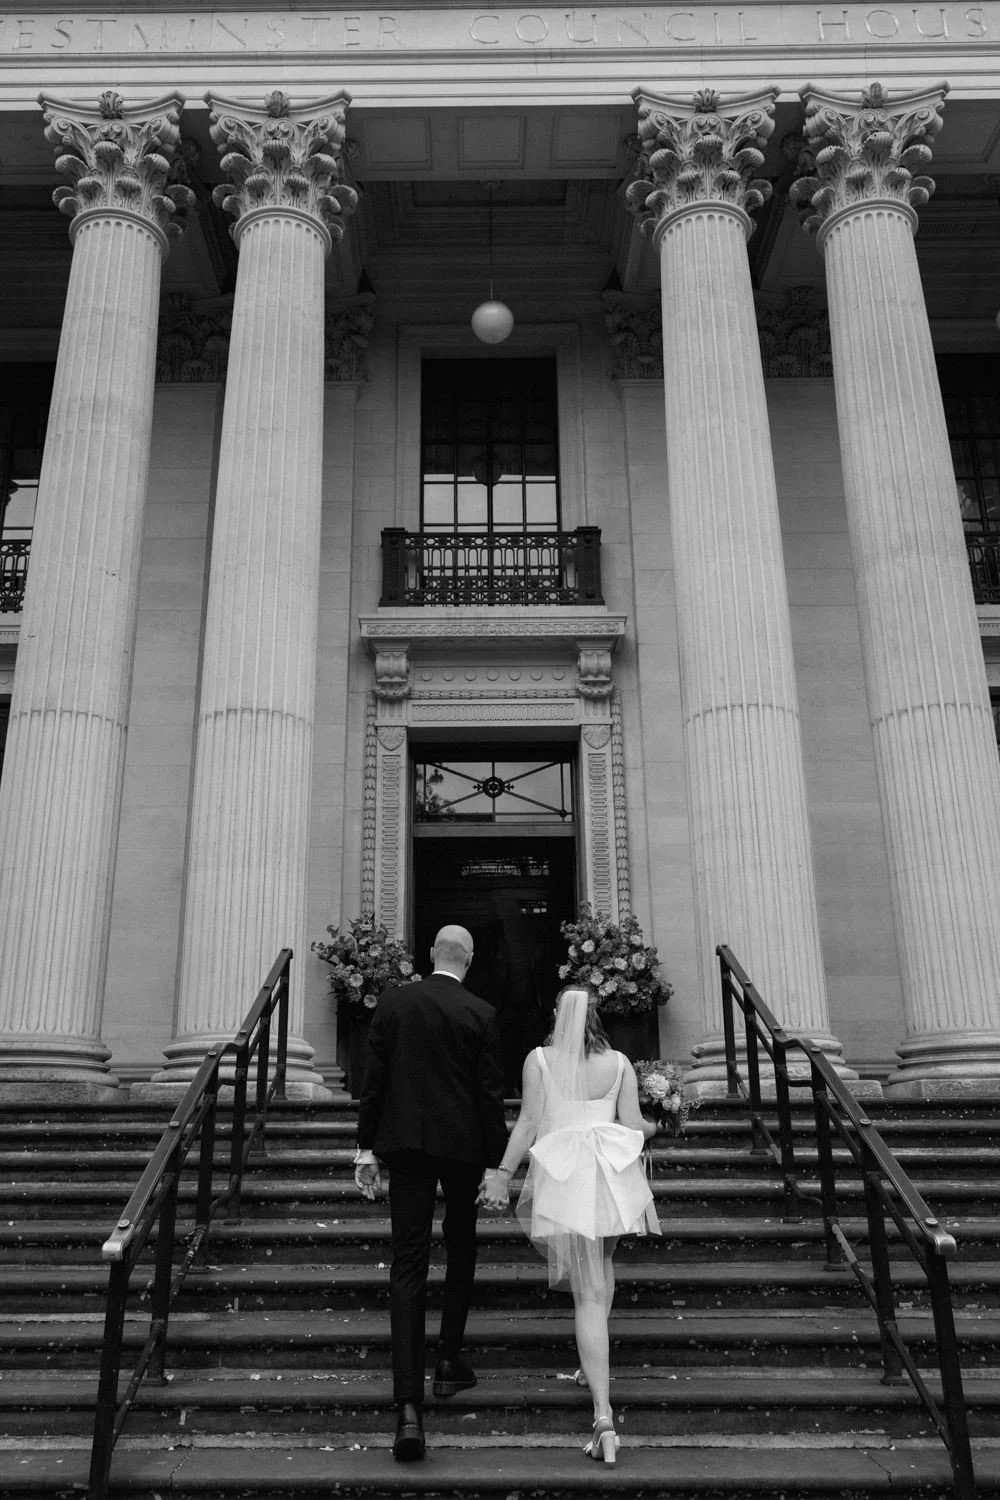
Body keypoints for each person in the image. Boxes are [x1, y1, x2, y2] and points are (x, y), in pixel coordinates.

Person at [479, 985, 659, 1465]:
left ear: (560, 1016)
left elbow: (528, 1124)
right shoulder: (620, 1063)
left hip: (566, 1177)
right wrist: (662, 1122)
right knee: (600, 1270)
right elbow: (634, 1127)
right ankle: (591, 1366)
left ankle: (603, 1415)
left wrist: (502, 1175)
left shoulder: (539, 1060)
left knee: (588, 1291)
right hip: (611, 1175)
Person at [354, 924, 508, 1463]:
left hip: (407, 1144)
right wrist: (498, 1164)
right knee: (461, 1245)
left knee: (408, 1260)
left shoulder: (395, 1004)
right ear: (471, 958)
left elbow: (374, 1080)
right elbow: (489, 1096)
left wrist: (365, 1149)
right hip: (464, 1147)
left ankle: (408, 1410)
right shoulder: (481, 1013)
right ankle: (447, 1362)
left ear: (430, 955)